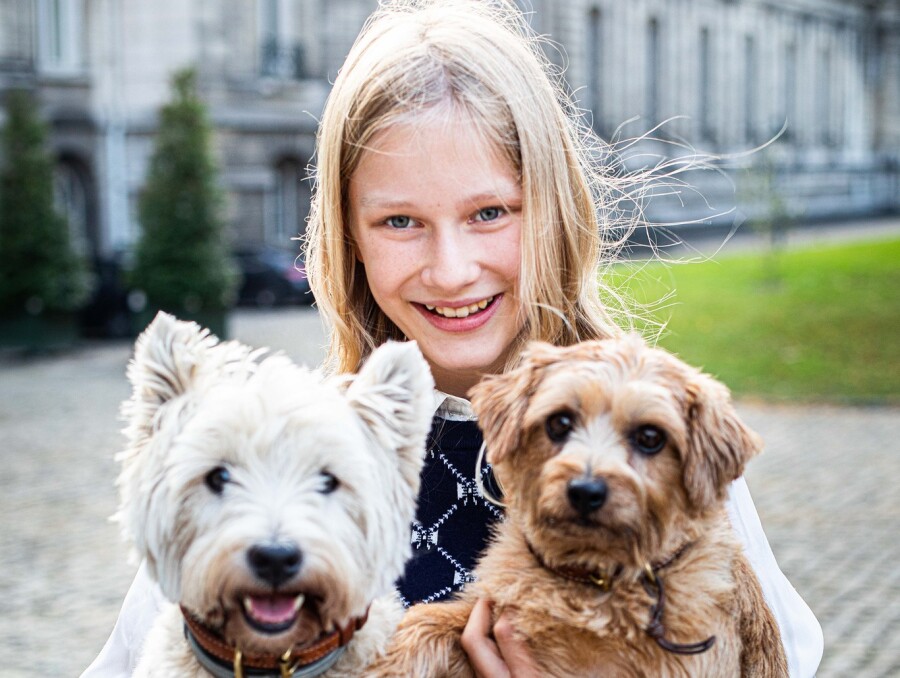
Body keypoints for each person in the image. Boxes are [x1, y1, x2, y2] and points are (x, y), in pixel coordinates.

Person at [83, 1, 823, 676]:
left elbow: (773, 655)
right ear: (349, 237)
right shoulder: (275, 456)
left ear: (553, 210)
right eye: (400, 221)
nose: (451, 270)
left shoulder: (671, 452)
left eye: (489, 213)